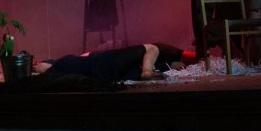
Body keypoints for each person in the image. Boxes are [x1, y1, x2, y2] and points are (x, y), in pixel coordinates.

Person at [32, 43, 184, 82]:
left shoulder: (60, 66)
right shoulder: (58, 66)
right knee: (152, 48)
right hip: (102, 68)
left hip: (101, 67)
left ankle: (147, 71)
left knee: (152, 48)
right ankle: (147, 71)